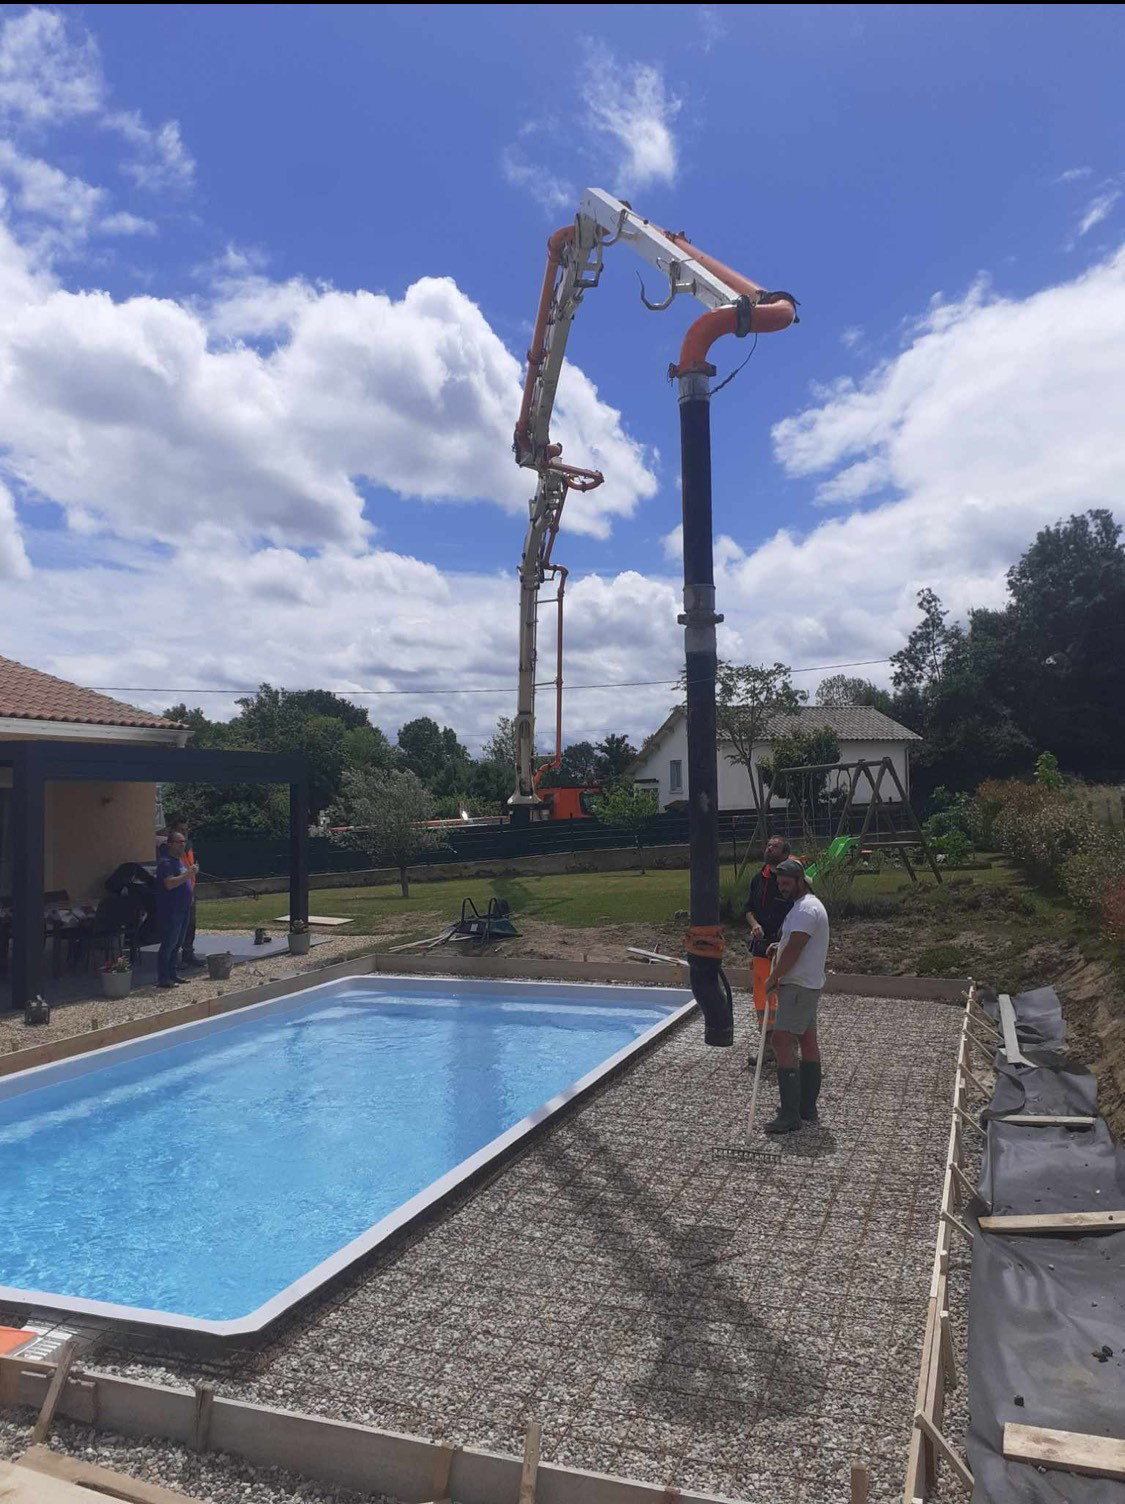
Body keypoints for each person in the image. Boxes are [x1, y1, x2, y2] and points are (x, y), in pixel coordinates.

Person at [762, 857, 829, 1133]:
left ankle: (791, 1115)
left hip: (798, 986)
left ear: (801, 881)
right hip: (807, 984)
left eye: (787, 883)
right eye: (780, 883)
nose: (783, 888)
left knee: (780, 1041)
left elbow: (796, 949)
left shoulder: (805, 910)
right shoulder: (806, 907)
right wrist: (780, 944)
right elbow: (794, 943)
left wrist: (773, 977)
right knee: (807, 1039)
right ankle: (806, 1107)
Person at [743, 835, 793, 1070]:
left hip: (784, 948)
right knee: (763, 999)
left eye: (775, 846)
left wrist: (784, 937)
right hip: (761, 949)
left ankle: (788, 1048)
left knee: (785, 998)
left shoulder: (790, 880)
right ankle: (768, 1047)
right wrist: (754, 925)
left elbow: (799, 910)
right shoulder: (758, 879)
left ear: (784, 853)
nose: (769, 848)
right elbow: (748, 910)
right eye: (768, 844)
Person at [158, 816, 202, 967]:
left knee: (189, 927)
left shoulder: (187, 846)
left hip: (188, 892)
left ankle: (187, 955)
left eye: (186, 830)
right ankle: (169, 968)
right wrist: (187, 875)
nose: (185, 834)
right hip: (175, 900)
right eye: (181, 830)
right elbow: (170, 879)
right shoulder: (167, 852)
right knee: (172, 937)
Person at [155, 830, 197, 988]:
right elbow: (169, 883)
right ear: (170, 844)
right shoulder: (166, 863)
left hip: (183, 908)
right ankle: (164, 978)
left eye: (183, 842)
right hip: (171, 910)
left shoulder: (178, 861)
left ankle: (173, 973)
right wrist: (187, 874)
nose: (182, 845)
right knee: (169, 944)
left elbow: (183, 883)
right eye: (179, 842)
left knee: (177, 943)